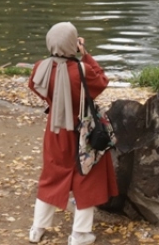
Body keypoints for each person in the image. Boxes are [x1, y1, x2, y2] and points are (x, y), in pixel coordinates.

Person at [27, 22, 118, 245]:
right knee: (87, 176)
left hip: (55, 132)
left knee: (51, 176)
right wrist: (85, 54)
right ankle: (79, 234)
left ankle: (37, 229)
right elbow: (102, 81)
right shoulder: (81, 70)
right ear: (72, 44)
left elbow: (33, 86)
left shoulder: (40, 67)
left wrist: (54, 102)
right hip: (81, 132)